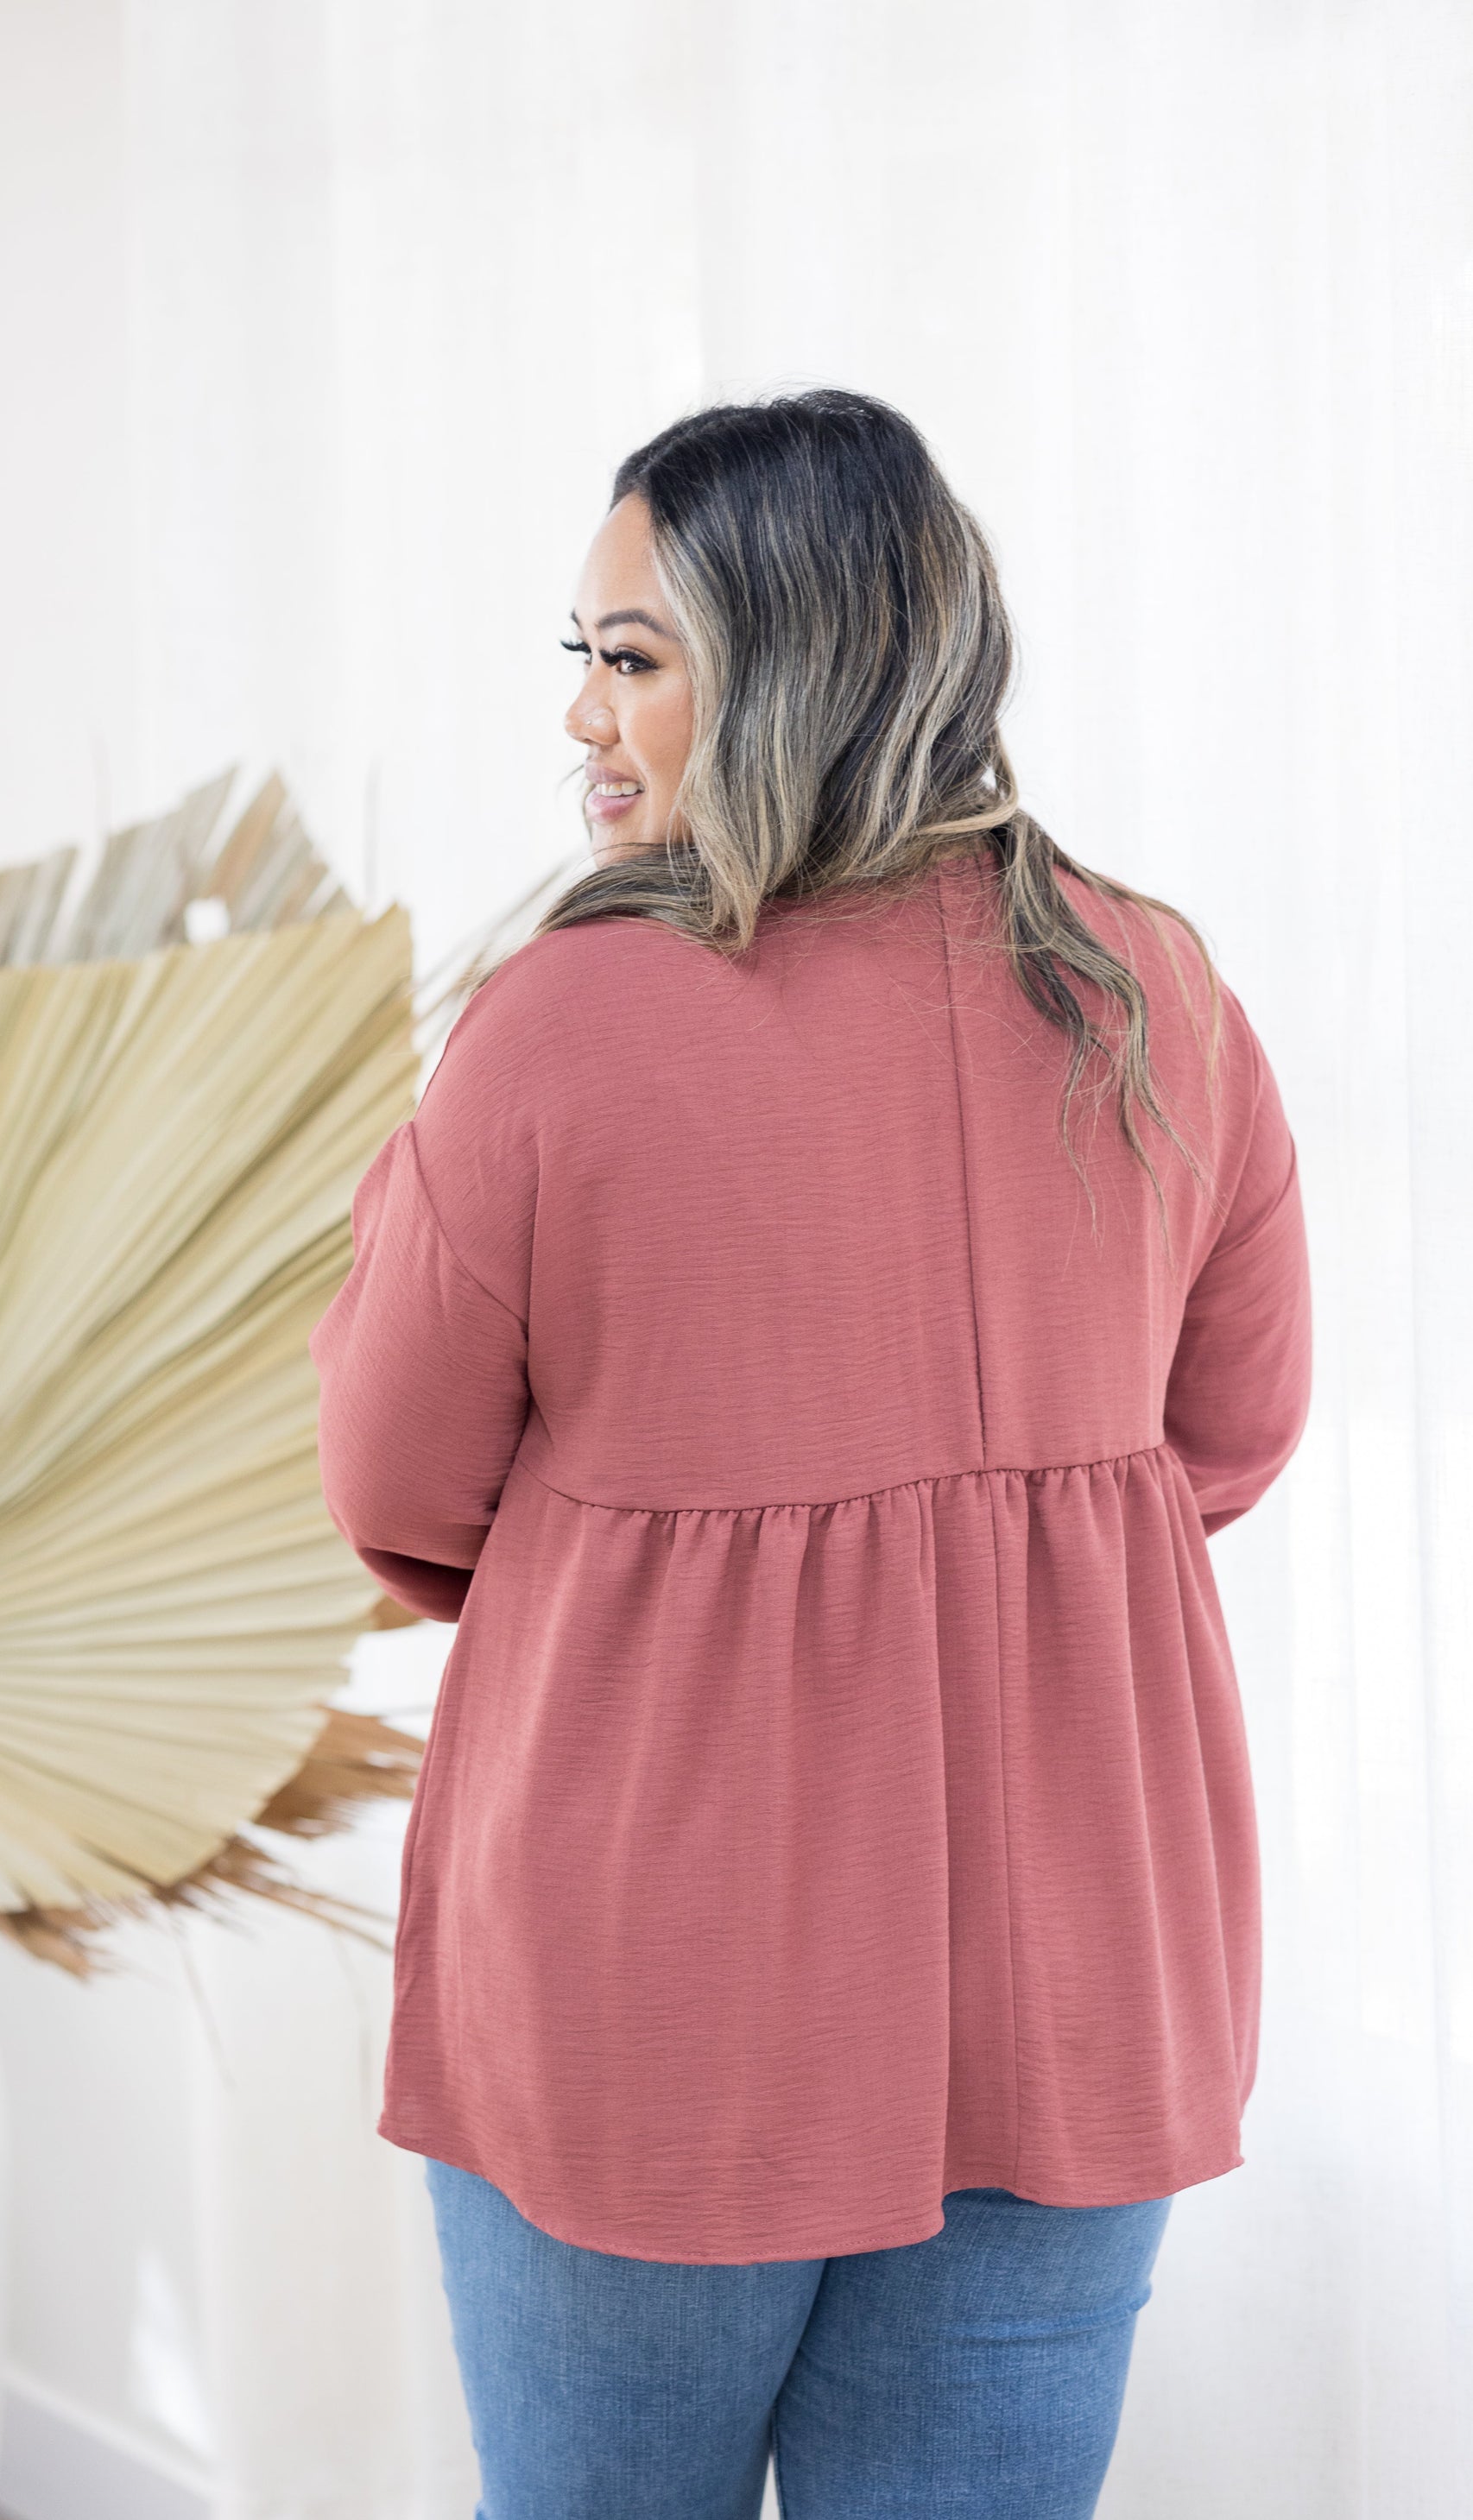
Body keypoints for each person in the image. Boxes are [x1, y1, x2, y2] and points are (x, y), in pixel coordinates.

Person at [309, 390, 1312, 2520]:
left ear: (798, 665)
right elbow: (1228, 1435)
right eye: (582, 654)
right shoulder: (1153, 990)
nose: (582, 716)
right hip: (1075, 1952)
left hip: (654, 1961)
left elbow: (393, 1478)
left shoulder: (560, 1025)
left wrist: (628, 1584)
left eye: (634, 658)